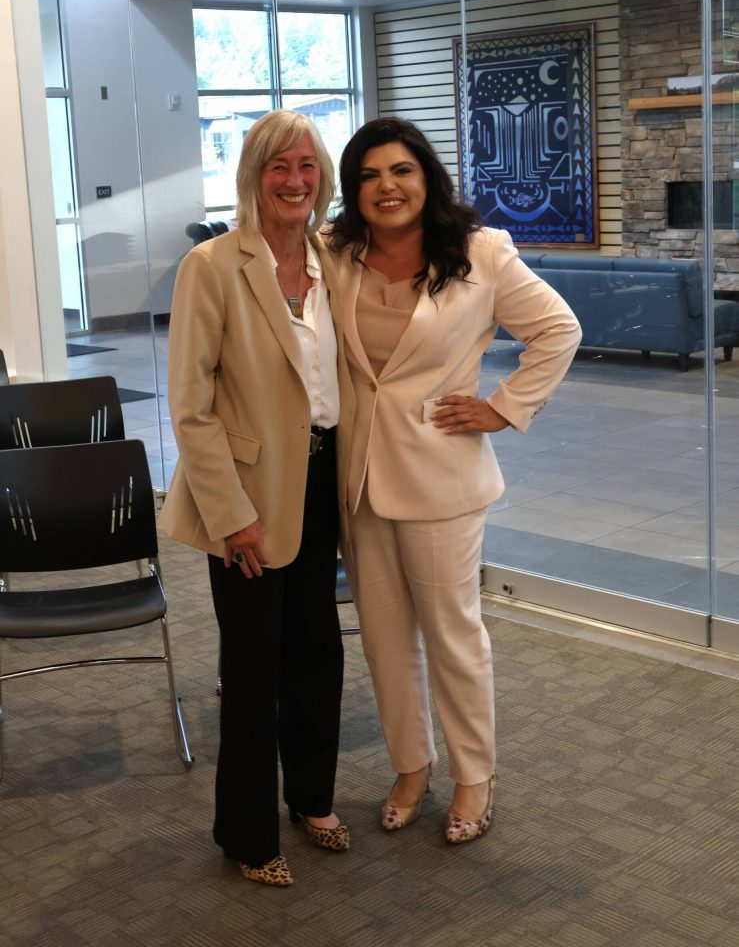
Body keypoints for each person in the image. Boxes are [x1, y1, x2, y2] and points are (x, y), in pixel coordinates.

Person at [328, 117, 581, 845]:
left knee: (451, 635)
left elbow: (557, 331)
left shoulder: (479, 253)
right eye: (370, 175)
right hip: (362, 478)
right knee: (382, 638)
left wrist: (503, 409)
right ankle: (412, 765)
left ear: (426, 177)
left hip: (441, 477)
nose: (386, 187)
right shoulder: (337, 254)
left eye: (400, 171)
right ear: (355, 189)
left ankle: (475, 773)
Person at [160, 110, 352, 886]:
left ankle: (311, 798)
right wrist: (230, 513)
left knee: (318, 649)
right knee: (252, 665)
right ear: (252, 174)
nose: (295, 180)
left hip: (320, 479)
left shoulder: (333, 259)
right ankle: (246, 834)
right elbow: (191, 404)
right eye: (279, 166)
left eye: (307, 166)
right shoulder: (212, 266)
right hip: (245, 494)